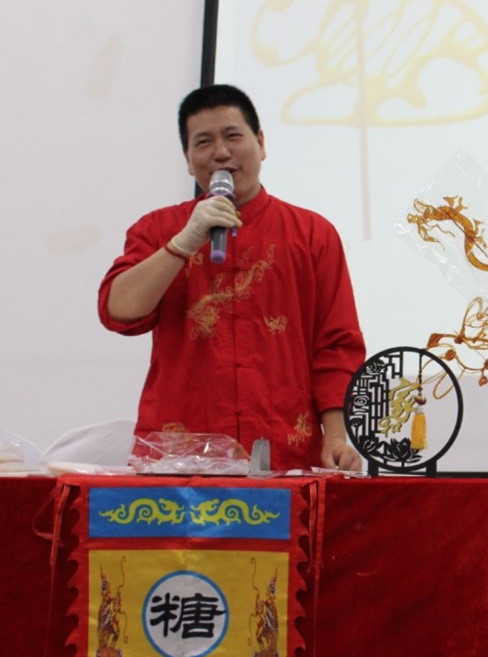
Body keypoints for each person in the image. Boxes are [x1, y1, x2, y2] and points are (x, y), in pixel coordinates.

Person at [99, 84, 366, 471]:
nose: (221, 152)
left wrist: (336, 436)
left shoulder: (312, 234)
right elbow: (118, 310)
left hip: (283, 448)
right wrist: (183, 243)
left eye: (233, 136)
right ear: (188, 160)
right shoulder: (158, 230)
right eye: (203, 142)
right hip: (179, 455)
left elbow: (336, 344)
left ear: (261, 143)